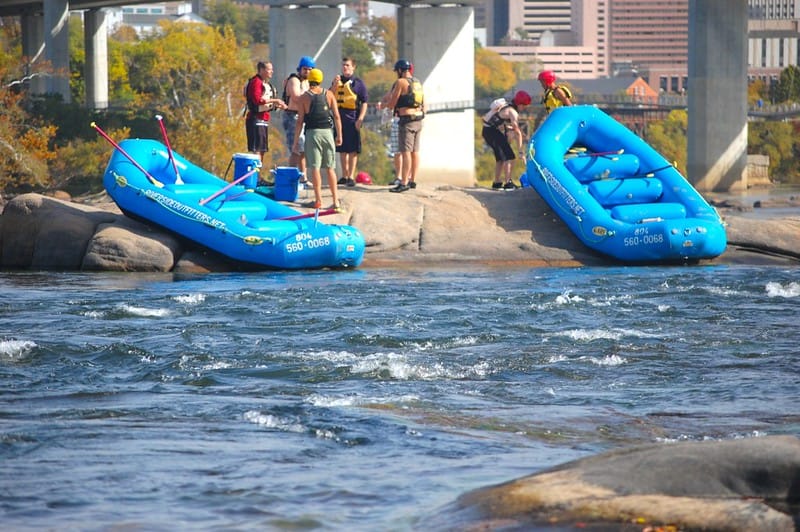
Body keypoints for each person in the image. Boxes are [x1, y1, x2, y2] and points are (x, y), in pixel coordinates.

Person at [292, 68, 343, 211]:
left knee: (314, 168)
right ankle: (335, 201)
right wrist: (339, 135)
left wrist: (295, 142)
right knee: (330, 168)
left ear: (309, 80)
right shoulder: (330, 94)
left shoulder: (304, 97)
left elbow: (300, 121)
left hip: (312, 133)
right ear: (320, 80)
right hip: (328, 133)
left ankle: (318, 200)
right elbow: (337, 116)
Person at [382, 59, 424, 193]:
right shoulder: (417, 82)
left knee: (405, 152)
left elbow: (393, 102)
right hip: (418, 120)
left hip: (406, 121)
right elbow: (424, 102)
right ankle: (413, 180)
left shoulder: (401, 82)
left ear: (400, 70)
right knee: (415, 152)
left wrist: (386, 107)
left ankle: (404, 182)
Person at [481, 90, 532, 190]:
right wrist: (521, 151)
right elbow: (517, 132)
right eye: (524, 105)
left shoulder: (507, 106)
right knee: (510, 157)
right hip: (491, 132)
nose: (525, 108)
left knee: (501, 158)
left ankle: (497, 183)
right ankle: (508, 183)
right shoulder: (513, 112)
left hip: (488, 131)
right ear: (520, 104)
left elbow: (509, 128)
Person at [331, 57, 369, 187]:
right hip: (339, 118)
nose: (345, 67)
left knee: (353, 149)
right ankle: (345, 175)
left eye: (347, 65)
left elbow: (364, 102)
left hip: (352, 118)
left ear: (353, 67)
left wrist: (360, 118)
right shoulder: (337, 81)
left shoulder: (358, 83)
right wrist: (334, 85)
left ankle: (351, 176)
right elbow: (329, 96)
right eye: (343, 65)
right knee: (342, 148)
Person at [244, 61, 287, 164]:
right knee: (257, 149)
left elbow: (266, 103)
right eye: (269, 69)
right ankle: (255, 177)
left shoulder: (265, 84)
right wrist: (274, 101)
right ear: (262, 70)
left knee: (262, 149)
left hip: (263, 119)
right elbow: (257, 100)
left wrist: (280, 105)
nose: (272, 71)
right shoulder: (256, 82)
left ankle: (259, 176)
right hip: (255, 119)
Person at [283, 55, 315, 178]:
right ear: (300, 69)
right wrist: (309, 96)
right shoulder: (294, 80)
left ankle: (303, 178)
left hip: (302, 117)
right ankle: (290, 177)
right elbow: (296, 97)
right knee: (295, 148)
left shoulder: (307, 82)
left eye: (310, 69)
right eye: (305, 69)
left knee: (302, 150)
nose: (307, 72)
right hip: (292, 116)